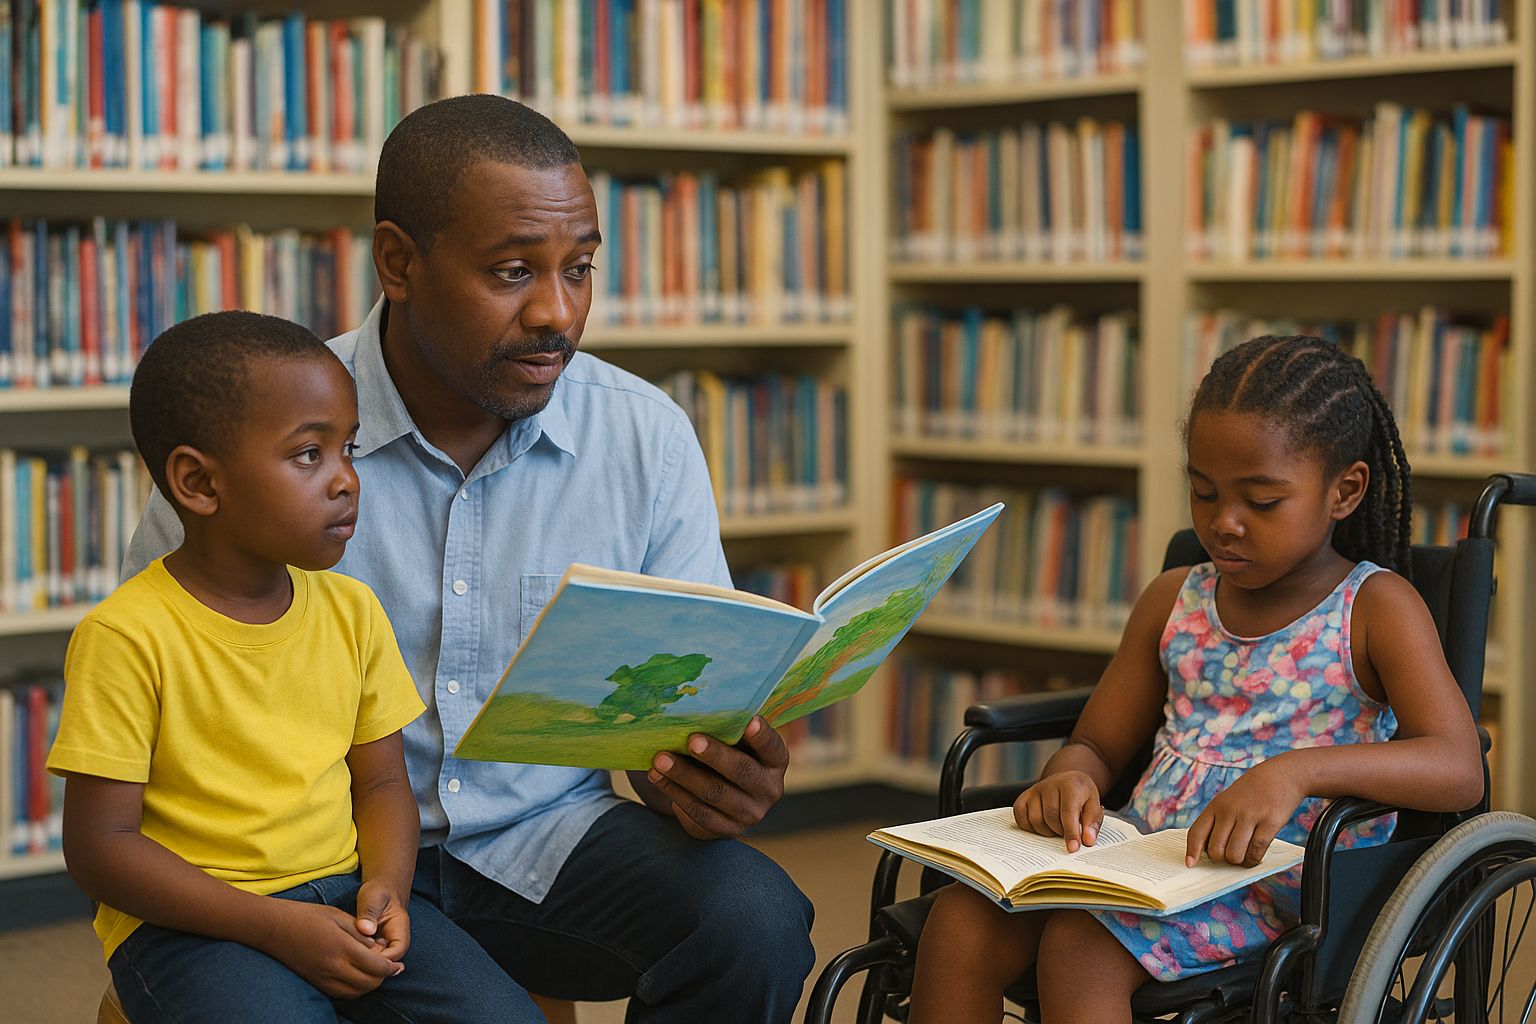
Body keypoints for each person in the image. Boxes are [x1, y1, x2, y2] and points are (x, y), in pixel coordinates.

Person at [123, 95, 815, 1022]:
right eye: (513, 271)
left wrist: (710, 772)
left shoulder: (643, 438)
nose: (557, 313)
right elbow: (151, 697)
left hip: (542, 838)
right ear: (399, 262)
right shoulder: (254, 432)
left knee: (753, 917)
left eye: (580, 269)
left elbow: (688, 697)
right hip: (309, 860)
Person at [906, 335, 1485, 1024]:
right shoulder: (1174, 598)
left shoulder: (1376, 609)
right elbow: (1097, 744)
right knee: (962, 919)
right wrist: (1071, 777)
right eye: (1203, 493)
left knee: (1078, 947)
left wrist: (1295, 772)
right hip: (1146, 856)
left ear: (1345, 490)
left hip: (1283, 877)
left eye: (1262, 502)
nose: (1224, 523)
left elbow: (1457, 767)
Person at [48, 312, 542, 1023]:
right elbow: (101, 850)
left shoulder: (352, 611)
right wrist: (276, 925)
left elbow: (380, 782)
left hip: (344, 893)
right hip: (189, 926)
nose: (347, 480)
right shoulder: (126, 635)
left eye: (349, 448)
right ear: (199, 483)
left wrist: (387, 888)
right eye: (309, 455)